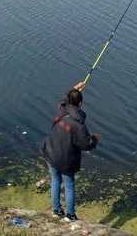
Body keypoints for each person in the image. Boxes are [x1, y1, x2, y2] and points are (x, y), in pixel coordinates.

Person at [41, 81, 100, 222]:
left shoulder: (61, 109)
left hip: (51, 153)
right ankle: (70, 215)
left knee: (55, 180)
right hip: (66, 160)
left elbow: (64, 99)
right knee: (69, 185)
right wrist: (95, 139)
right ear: (81, 104)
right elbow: (86, 145)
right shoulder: (79, 125)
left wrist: (75, 88)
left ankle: (56, 211)